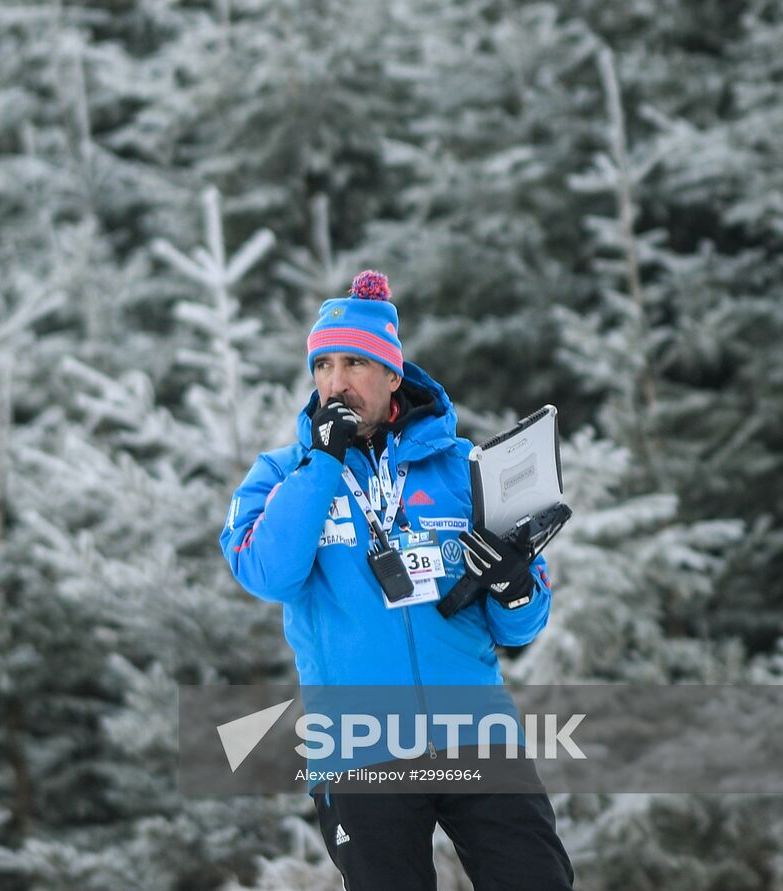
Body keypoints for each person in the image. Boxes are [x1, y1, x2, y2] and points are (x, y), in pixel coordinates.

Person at [219, 271, 574, 890]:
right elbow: (267, 573)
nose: (336, 382)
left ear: (392, 375)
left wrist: (514, 587)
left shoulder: (464, 469)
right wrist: (323, 464)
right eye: (323, 365)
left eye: (354, 363)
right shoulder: (281, 474)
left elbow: (519, 625)